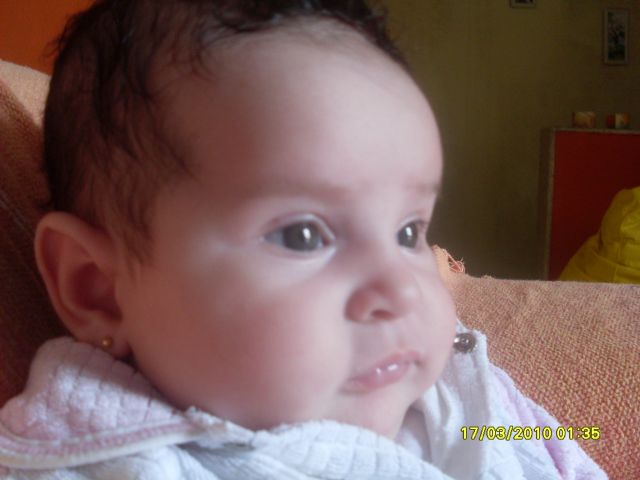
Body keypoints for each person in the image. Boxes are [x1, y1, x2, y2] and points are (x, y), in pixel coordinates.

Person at [0, 0, 606, 478]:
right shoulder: (110, 460)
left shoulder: (469, 405)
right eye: (303, 234)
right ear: (97, 289)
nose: (401, 290)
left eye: (408, 231)